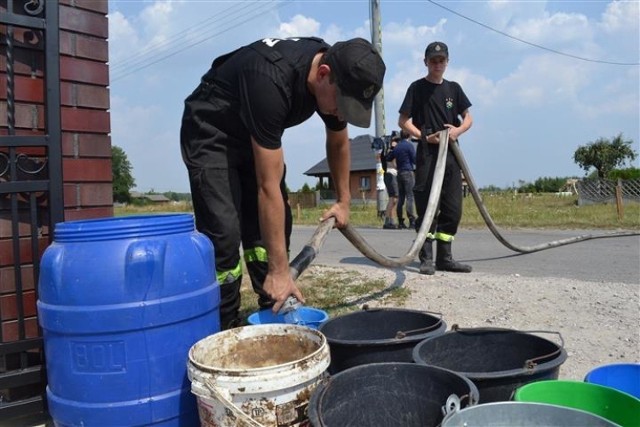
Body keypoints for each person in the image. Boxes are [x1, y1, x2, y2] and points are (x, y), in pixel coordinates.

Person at [180, 37, 385, 329]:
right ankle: (222, 325)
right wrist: (279, 269)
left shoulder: (338, 69)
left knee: (268, 233)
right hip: (211, 132)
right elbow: (268, 187)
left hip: (253, 132)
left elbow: (339, 143)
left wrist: (343, 201)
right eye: (343, 105)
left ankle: (272, 307)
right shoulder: (271, 79)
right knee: (224, 232)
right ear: (323, 74)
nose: (342, 114)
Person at [397, 41, 473, 275]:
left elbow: (468, 117)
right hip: (428, 154)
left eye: (441, 60)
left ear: (447, 62)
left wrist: (458, 131)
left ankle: (445, 258)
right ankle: (426, 258)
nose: (437, 64)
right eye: (433, 60)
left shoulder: (454, 89)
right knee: (428, 206)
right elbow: (403, 121)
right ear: (426, 62)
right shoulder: (417, 88)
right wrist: (423, 136)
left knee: (452, 209)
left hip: (451, 154)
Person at [386, 130, 416, 229]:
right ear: (409, 135)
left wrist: (391, 148)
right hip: (408, 172)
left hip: (399, 173)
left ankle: (400, 221)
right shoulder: (409, 146)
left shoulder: (397, 147)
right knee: (410, 196)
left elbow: (389, 157)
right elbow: (414, 159)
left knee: (401, 198)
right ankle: (411, 220)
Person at [382, 134, 399, 229]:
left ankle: (390, 220)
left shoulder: (389, 151)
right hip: (391, 174)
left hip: (390, 175)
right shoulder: (390, 151)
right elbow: (394, 164)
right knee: (393, 199)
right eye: (396, 140)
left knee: (394, 199)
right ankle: (389, 221)